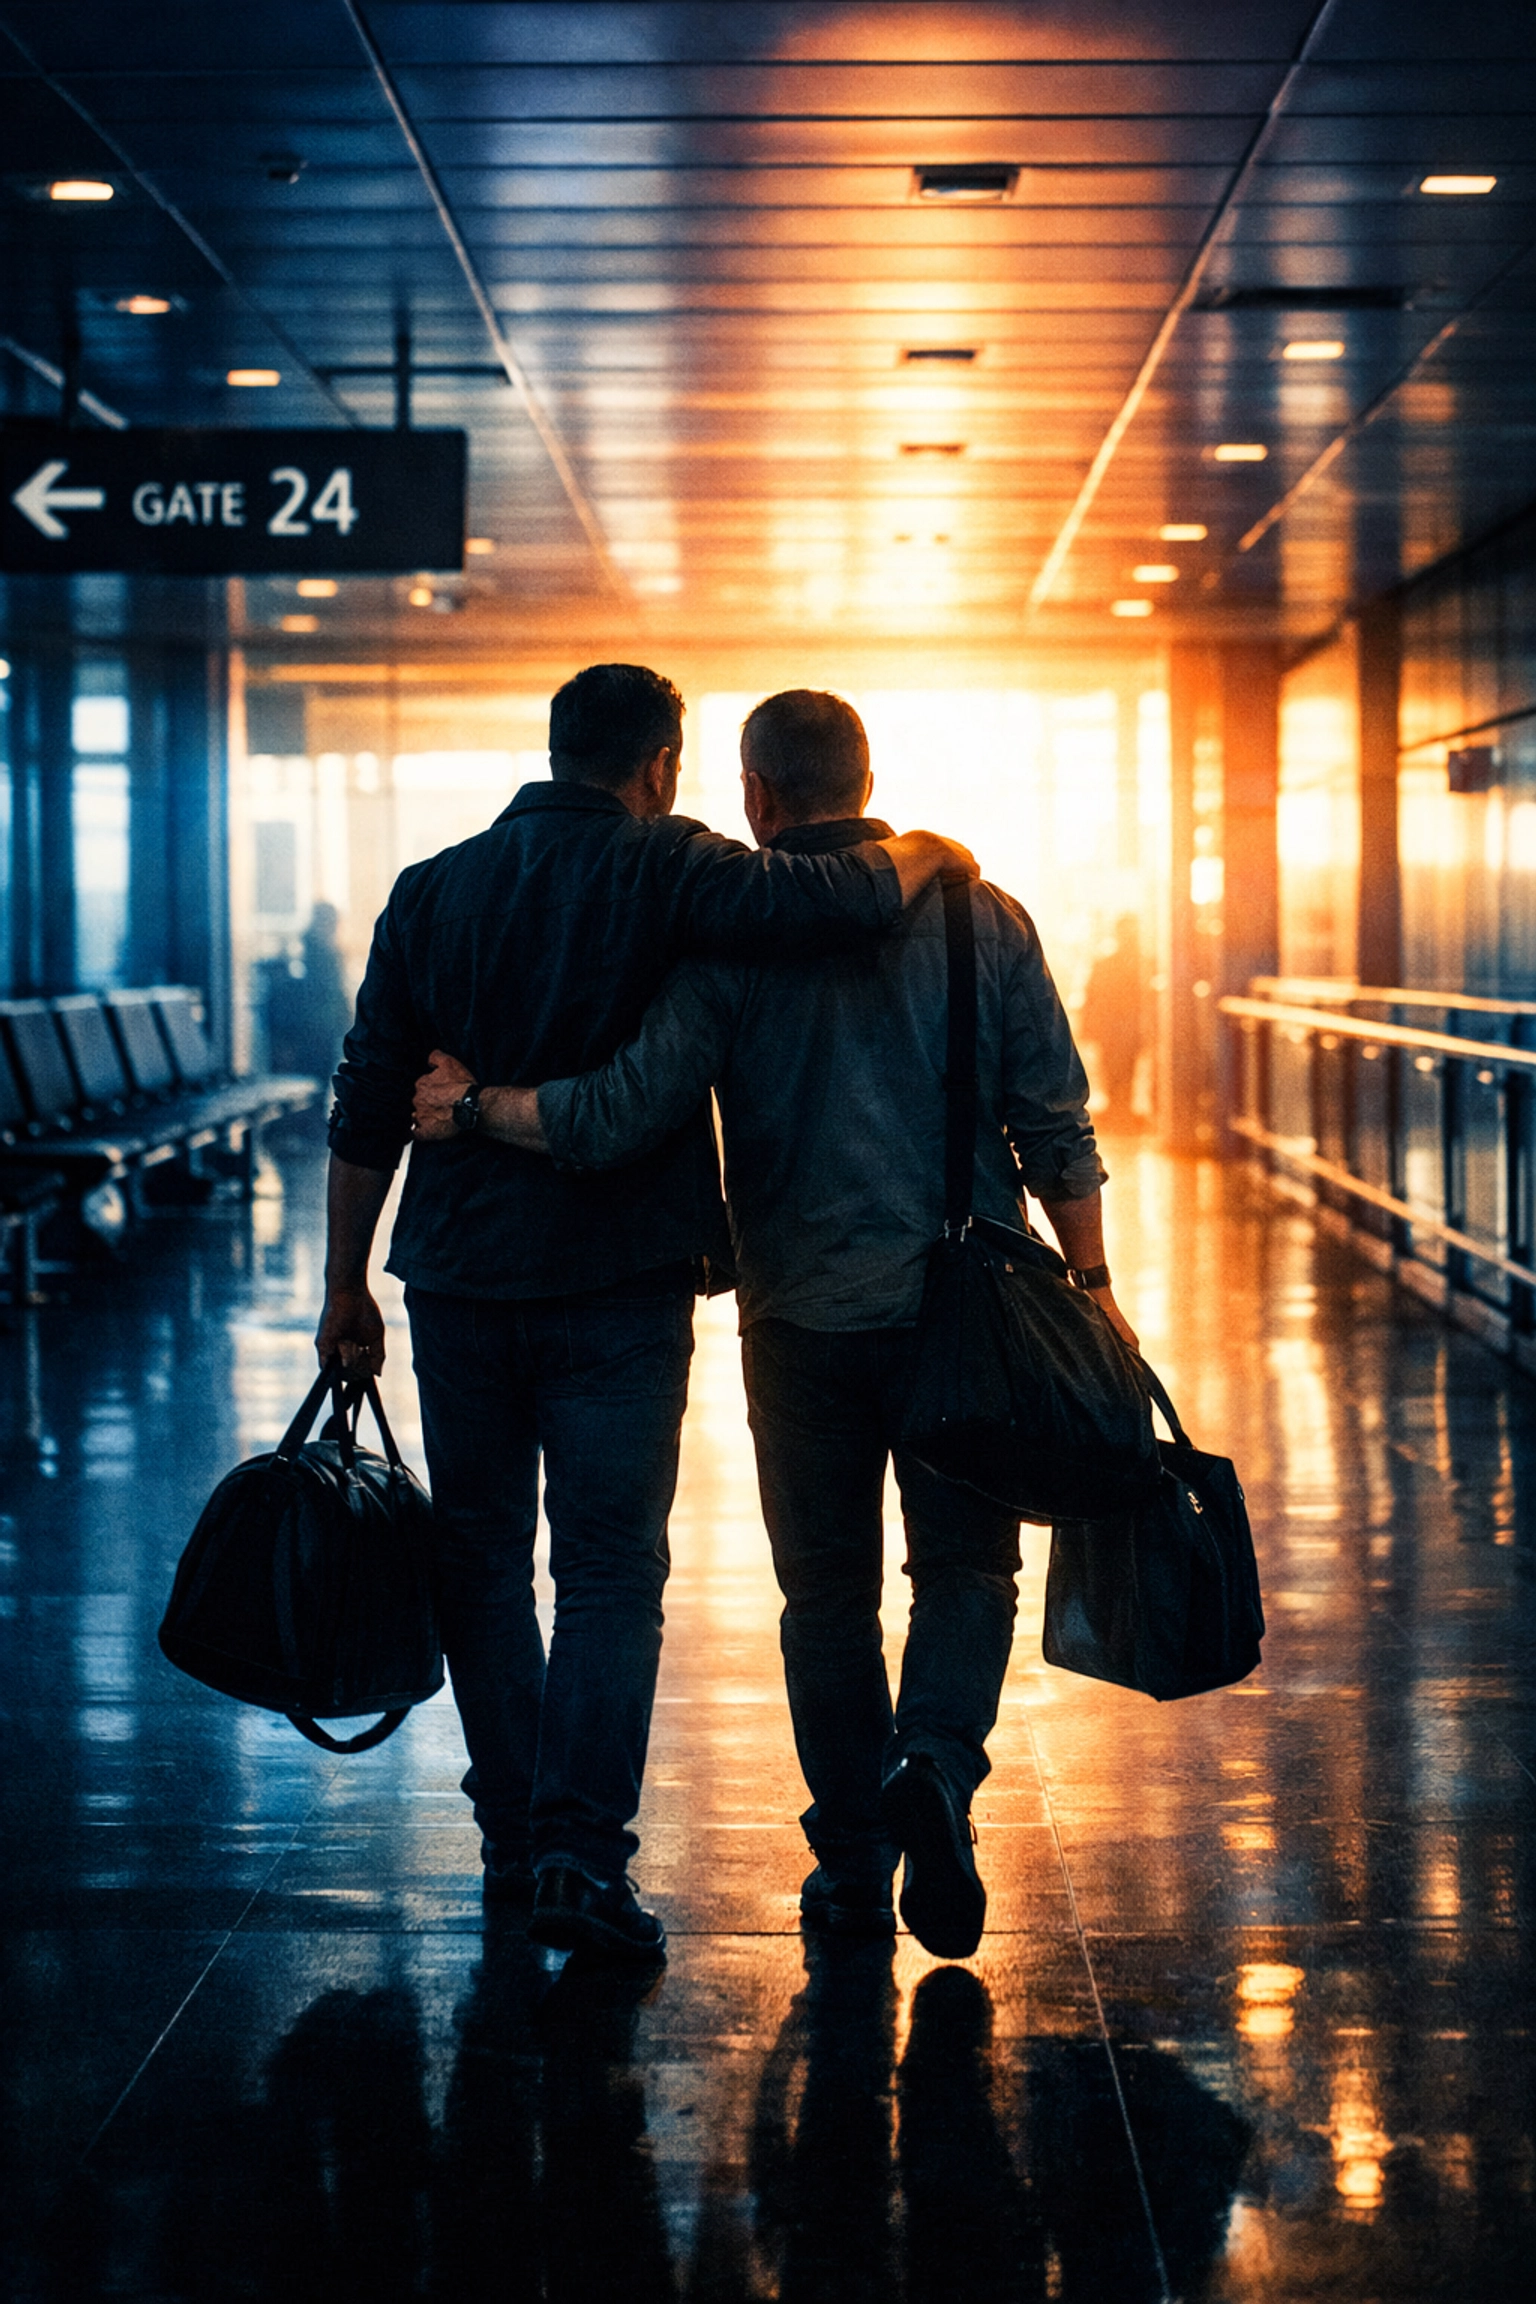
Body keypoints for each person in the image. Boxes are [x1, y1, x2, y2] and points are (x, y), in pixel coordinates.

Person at [412, 689, 1137, 1962]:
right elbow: (1055, 1122)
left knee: (827, 1599)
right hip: (966, 1316)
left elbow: (616, 1114)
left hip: (799, 1323)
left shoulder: (727, 948)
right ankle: (937, 1766)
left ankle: (853, 1866)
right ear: (866, 774)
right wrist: (1091, 1285)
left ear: (751, 796)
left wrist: (476, 1111)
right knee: (966, 1569)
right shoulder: (981, 918)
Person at [317, 663, 969, 1966]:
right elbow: (834, 897)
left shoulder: (431, 889)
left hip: (456, 1278)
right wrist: (931, 849)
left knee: (485, 1561)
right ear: (662, 765)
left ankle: (513, 1835)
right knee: (611, 1568)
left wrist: (345, 1285)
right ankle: (577, 1849)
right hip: (616, 1281)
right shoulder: (668, 864)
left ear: (555, 753)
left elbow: (368, 1092)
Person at [1079, 914, 1145, 1130]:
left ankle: (1119, 1110)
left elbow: (1091, 996)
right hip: (1123, 1027)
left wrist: (1088, 1027)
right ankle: (1121, 1110)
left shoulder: (1105, 963)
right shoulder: (1141, 966)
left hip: (1112, 1028)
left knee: (1116, 1069)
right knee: (1124, 1069)